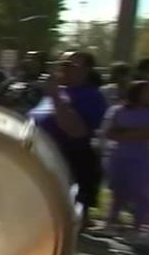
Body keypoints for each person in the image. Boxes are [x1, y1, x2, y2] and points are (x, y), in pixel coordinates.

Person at [29, 51, 108, 227]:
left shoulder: (91, 96)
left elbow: (77, 131)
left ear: (86, 70)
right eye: (61, 64)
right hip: (39, 154)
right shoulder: (55, 91)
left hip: (68, 159)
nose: (63, 69)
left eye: (70, 66)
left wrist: (56, 97)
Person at [100, 80, 149, 238]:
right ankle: (110, 223)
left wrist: (124, 133)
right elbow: (109, 132)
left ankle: (138, 227)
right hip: (118, 155)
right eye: (148, 91)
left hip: (140, 157)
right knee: (118, 192)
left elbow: (147, 134)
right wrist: (134, 133)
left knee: (139, 191)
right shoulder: (117, 110)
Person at [0, 51, 47, 115]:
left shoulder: (45, 83)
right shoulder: (10, 82)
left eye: (34, 59)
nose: (29, 61)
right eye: (28, 58)